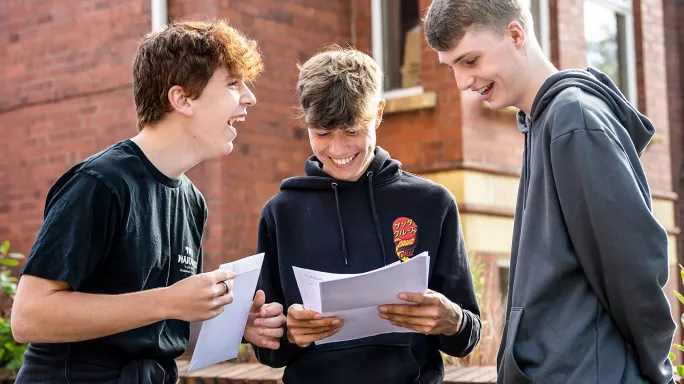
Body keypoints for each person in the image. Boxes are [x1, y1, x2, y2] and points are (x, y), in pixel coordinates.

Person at [11, 20, 285, 384]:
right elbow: (29, 316)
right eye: (233, 84)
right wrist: (169, 300)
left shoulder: (192, 202)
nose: (249, 97)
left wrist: (226, 321)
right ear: (182, 99)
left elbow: (155, 320)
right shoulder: (100, 184)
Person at [423, 1, 676, 383]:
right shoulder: (543, 120)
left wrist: (658, 371)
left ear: (515, 34)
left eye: (470, 60)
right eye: (452, 67)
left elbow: (633, 267)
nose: (462, 82)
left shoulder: (573, 120)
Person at [250, 46, 481, 383]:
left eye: (353, 130)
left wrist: (453, 321)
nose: (339, 149)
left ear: (378, 114)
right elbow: (267, 348)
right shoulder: (281, 213)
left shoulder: (432, 204)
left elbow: (467, 335)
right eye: (323, 133)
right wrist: (288, 334)